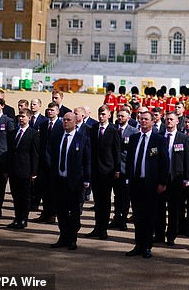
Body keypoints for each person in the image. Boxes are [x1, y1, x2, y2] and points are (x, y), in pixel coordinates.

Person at [125, 111, 169, 259]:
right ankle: (138, 244)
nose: (143, 122)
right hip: (136, 182)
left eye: (146, 119)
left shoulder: (159, 140)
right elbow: (130, 160)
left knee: (149, 216)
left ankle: (147, 246)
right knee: (137, 216)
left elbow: (164, 162)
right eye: (141, 119)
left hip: (151, 184)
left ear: (152, 122)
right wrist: (128, 179)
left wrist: (162, 182)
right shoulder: (134, 138)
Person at [50, 113, 91, 251]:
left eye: (69, 120)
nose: (65, 122)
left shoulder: (82, 139)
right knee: (61, 211)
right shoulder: (57, 138)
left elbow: (87, 161)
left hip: (74, 182)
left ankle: (72, 238)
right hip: (59, 180)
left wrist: (86, 179)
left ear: (75, 122)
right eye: (64, 120)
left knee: (74, 212)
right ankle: (63, 237)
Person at [154, 112, 189, 246]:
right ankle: (159, 234)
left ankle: (171, 235)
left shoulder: (183, 138)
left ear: (177, 121)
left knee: (174, 208)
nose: (169, 121)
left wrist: (187, 177)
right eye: (167, 119)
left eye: (171, 119)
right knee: (159, 208)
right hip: (161, 178)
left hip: (176, 178)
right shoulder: (158, 137)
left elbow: (188, 158)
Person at [86, 105, 120, 240]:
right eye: (99, 114)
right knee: (97, 201)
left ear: (109, 115)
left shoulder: (114, 131)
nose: (101, 116)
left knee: (105, 202)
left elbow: (117, 152)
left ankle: (103, 229)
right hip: (95, 170)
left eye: (104, 114)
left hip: (108, 171)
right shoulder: (93, 129)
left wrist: (117, 169)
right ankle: (97, 227)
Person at [6, 108, 39, 229]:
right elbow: (10, 152)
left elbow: (35, 154)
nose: (21, 118)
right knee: (16, 196)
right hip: (13, 169)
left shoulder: (33, 133)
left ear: (29, 118)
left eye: (23, 116)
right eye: (19, 116)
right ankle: (16, 218)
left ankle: (24, 219)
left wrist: (34, 171)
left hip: (26, 170)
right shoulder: (13, 133)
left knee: (25, 196)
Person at [33, 102, 62, 224]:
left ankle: (52, 214)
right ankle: (45, 213)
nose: (50, 112)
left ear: (57, 112)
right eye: (48, 110)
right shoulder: (43, 125)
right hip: (43, 162)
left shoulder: (61, 125)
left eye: (52, 110)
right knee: (43, 189)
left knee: (53, 191)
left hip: (55, 163)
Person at [111, 107, 139, 231]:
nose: (120, 118)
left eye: (123, 116)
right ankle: (116, 217)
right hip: (113, 167)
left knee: (125, 196)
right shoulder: (113, 129)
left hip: (126, 168)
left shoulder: (133, 131)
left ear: (128, 117)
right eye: (119, 116)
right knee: (116, 195)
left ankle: (123, 219)